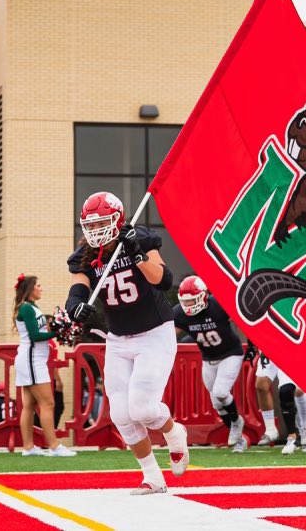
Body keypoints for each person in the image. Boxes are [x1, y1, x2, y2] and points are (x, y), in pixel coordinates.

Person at [65, 191, 187, 495]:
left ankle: (174, 432)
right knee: (120, 413)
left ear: (117, 220)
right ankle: (153, 478)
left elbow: (163, 280)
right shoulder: (85, 255)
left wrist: (137, 254)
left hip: (154, 332)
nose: (96, 231)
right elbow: (77, 292)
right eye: (90, 226)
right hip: (118, 338)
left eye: (102, 223)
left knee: (143, 408)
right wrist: (74, 308)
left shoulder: (138, 239)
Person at [173, 276, 248, 452]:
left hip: (230, 353)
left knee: (221, 392)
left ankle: (237, 422)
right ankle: (239, 441)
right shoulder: (179, 313)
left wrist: (251, 343)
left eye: (192, 300)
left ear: (203, 295)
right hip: (208, 358)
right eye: (186, 301)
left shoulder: (218, 304)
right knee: (216, 403)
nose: (189, 305)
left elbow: (242, 317)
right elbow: (170, 336)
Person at [12, 274, 75, 457]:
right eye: (38, 285)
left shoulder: (31, 307)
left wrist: (56, 330)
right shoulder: (27, 309)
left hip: (32, 359)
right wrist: (58, 332)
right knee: (48, 402)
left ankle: (29, 447)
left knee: (30, 405)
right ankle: (54, 446)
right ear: (30, 288)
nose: (41, 288)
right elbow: (35, 336)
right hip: (32, 360)